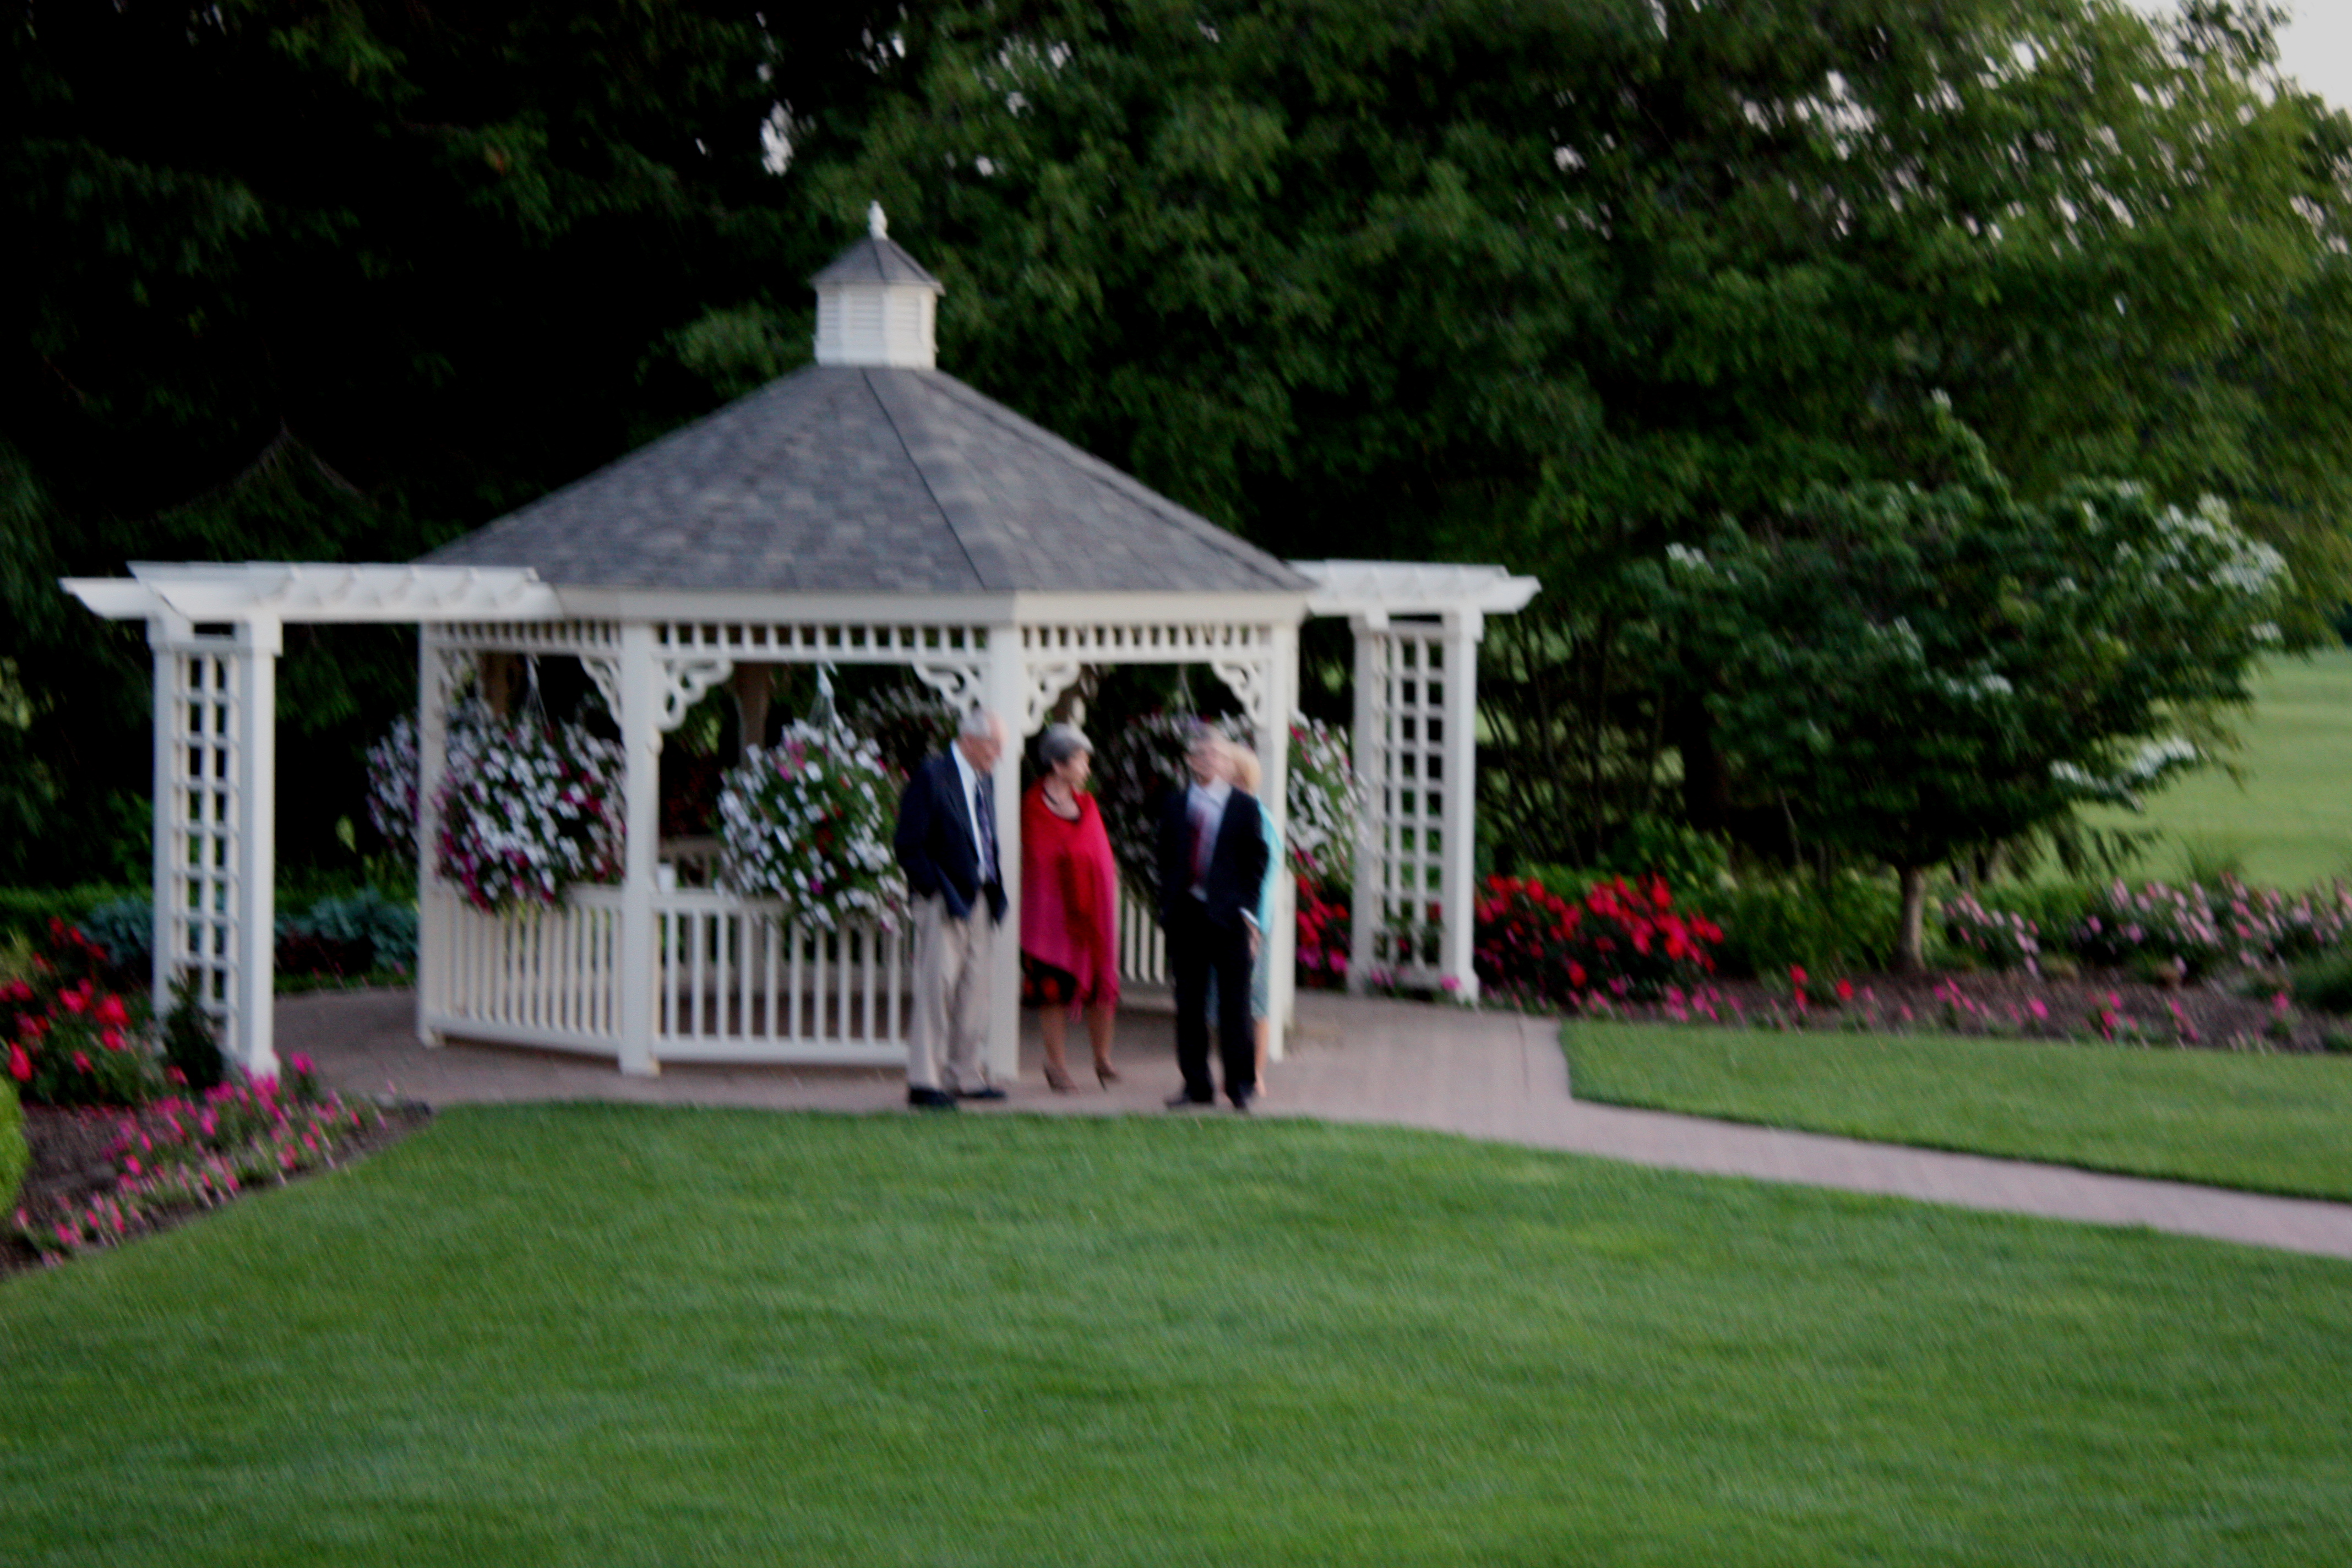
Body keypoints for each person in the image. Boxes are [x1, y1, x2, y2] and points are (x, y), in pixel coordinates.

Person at [892, 705, 1010, 1109]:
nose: (999, 755)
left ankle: (964, 1075)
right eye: (995, 746)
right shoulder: (932, 775)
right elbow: (908, 843)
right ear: (971, 740)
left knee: (975, 992)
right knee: (936, 989)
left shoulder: (984, 778)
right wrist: (933, 890)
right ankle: (924, 1081)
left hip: (980, 897)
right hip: (944, 900)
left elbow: (983, 838)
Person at [1157, 727, 1270, 1111]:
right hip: (1187, 916)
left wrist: (1247, 911)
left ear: (1226, 762)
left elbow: (1257, 862)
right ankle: (1196, 1085)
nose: (1208, 761)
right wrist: (1167, 904)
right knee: (1188, 1004)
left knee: (1234, 1006)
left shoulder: (1244, 807)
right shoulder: (1176, 804)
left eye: (1216, 755)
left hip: (1229, 918)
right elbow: (1164, 857)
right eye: (1201, 754)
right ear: (1190, 761)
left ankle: (1239, 1087)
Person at [1020, 723, 1123, 1092]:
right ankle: (1056, 1065)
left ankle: (1102, 1059)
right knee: (1054, 993)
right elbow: (1040, 861)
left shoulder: (1088, 806)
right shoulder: (1033, 807)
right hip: (1050, 918)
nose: (1087, 768)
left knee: (1102, 986)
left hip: (1091, 917)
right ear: (1058, 764)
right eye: (1081, 760)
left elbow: (1101, 861)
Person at [1222, 742, 1283, 1092]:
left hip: (1251, 925)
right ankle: (1232, 1073)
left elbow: (1266, 877)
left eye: (1225, 767)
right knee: (1225, 1005)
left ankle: (1255, 1074)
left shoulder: (1259, 819)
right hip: (1225, 922)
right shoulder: (1224, 814)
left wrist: (1254, 925)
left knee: (1255, 1003)